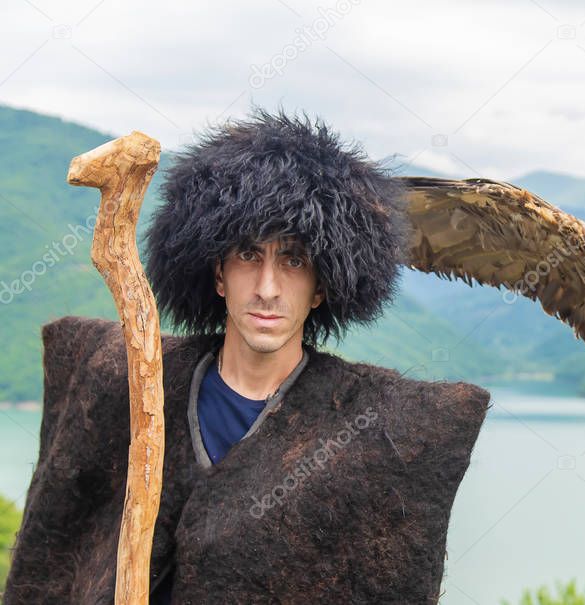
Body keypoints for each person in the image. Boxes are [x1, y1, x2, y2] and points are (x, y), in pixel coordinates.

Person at [5, 108, 491, 604]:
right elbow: (63, 539)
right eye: (248, 255)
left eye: (294, 260)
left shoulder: (365, 429)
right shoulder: (135, 380)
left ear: (321, 288)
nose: (267, 288)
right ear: (218, 273)